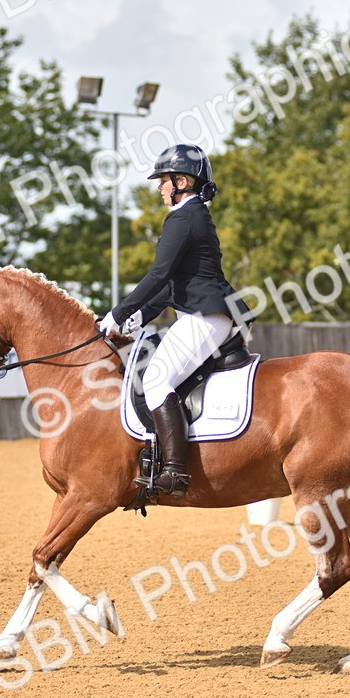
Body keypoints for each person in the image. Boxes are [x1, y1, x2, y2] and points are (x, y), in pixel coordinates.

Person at [97, 143, 249, 498]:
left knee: (156, 380)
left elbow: (158, 275)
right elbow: (170, 288)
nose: (159, 188)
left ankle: (177, 473)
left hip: (206, 316)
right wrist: (137, 317)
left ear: (182, 180)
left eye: (163, 180)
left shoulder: (183, 217)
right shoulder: (190, 216)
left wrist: (117, 313)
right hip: (203, 313)